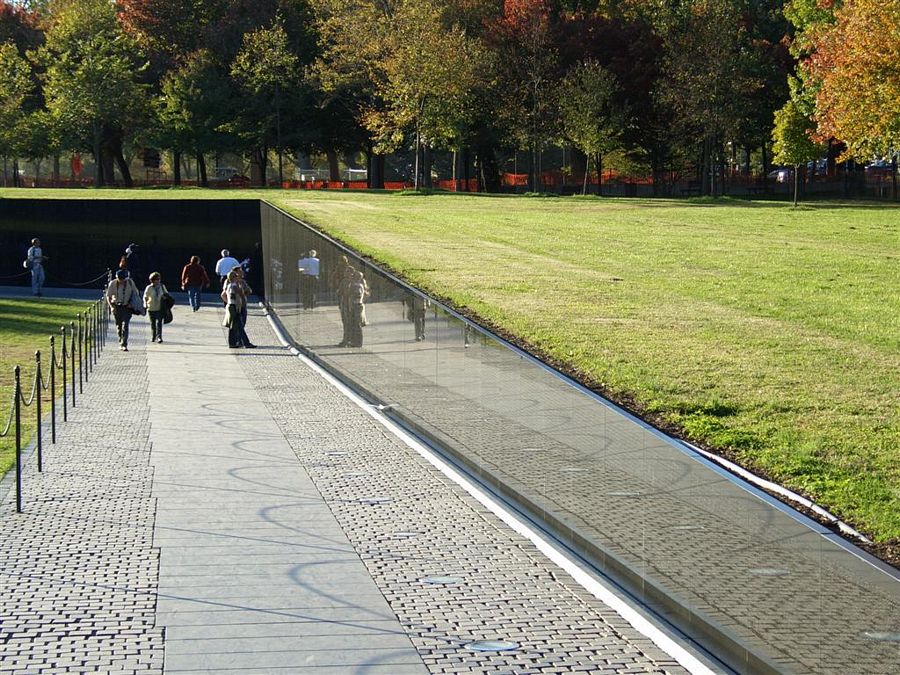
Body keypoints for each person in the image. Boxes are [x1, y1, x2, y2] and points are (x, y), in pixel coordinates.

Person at [106, 269, 140, 351]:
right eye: (120, 279)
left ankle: (124, 343)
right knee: (119, 326)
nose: (121, 281)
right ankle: (120, 340)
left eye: (123, 279)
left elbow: (136, 293)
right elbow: (108, 296)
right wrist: (111, 306)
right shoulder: (113, 283)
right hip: (117, 306)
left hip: (127, 307)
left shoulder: (130, 283)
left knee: (125, 325)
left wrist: (131, 304)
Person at [231, 267, 257, 348]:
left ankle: (238, 341)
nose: (242, 273)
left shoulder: (242, 282)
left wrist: (243, 295)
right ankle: (241, 342)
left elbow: (249, 290)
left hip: (243, 305)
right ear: (235, 273)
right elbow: (224, 294)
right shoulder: (230, 283)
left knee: (242, 324)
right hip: (236, 306)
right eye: (240, 272)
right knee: (238, 325)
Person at [143, 272, 169, 343]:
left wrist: (165, 298)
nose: (158, 281)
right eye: (156, 279)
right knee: (153, 323)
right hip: (151, 308)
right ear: (152, 280)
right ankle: (153, 336)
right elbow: (145, 296)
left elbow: (166, 295)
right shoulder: (149, 287)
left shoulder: (162, 286)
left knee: (159, 323)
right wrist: (145, 305)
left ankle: (159, 337)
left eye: (159, 279)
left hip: (159, 308)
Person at [221, 269, 244, 348]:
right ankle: (233, 343)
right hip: (233, 306)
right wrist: (239, 289)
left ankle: (237, 342)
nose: (238, 278)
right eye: (236, 277)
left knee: (236, 325)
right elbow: (235, 294)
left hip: (233, 305)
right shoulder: (233, 285)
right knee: (233, 325)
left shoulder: (231, 285)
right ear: (233, 278)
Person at [344, 269, 367, 348]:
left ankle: (357, 342)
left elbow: (358, 295)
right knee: (354, 324)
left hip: (356, 306)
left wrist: (352, 302)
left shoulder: (356, 285)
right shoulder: (359, 285)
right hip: (357, 305)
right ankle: (355, 342)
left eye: (353, 276)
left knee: (356, 324)